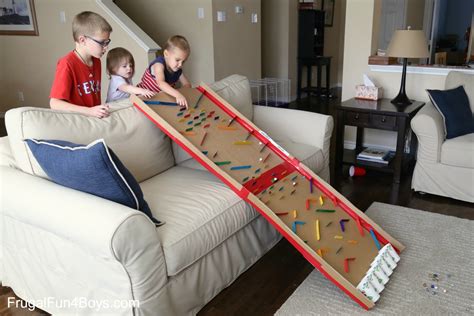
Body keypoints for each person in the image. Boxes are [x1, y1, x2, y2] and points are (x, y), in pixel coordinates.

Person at [49, 11, 112, 118]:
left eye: (107, 42)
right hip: (77, 122)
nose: (106, 47)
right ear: (82, 40)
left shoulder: (97, 61)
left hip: (93, 120)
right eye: (102, 43)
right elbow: (54, 103)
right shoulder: (67, 64)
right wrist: (89, 111)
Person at [137, 35, 191, 108]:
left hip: (159, 100)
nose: (180, 64)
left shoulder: (178, 70)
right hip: (143, 96)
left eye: (183, 61)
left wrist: (181, 95)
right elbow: (161, 83)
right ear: (166, 54)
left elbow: (187, 85)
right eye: (177, 60)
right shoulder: (159, 64)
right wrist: (177, 94)